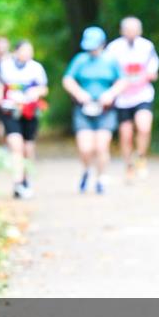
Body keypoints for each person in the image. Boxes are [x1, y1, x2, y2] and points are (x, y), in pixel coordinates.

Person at [62, 26, 130, 194]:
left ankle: (101, 178)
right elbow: (68, 79)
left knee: (101, 146)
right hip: (83, 109)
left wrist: (110, 94)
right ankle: (86, 170)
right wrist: (79, 93)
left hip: (105, 109)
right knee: (86, 147)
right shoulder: (80, 60)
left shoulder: (111, 60)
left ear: (102, 44)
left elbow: (123, 81)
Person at [105, 16, 159, 180]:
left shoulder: (147, 46)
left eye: (135, 29)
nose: (131, 32)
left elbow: (153, 71)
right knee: (126, 134)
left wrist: (146, 76)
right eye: (128, 29)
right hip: (122, 98)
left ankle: (141, 157)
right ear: (122, 31)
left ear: (140, 30)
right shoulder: (113, 48)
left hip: (143, 95)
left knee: (144, 127)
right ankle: (128, 164)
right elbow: (108, 72)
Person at [0, 40, 49, 199]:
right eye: (24, 50)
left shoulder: (36, 68)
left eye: (30, 51)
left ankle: (26, 179)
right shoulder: (5, 66)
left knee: (27, 147)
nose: (27, 54)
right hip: (10, 110)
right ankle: (17, 182)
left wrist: (36, 92)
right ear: (16, 52)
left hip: (29, 112)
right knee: (15, 146)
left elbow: (44, 88)